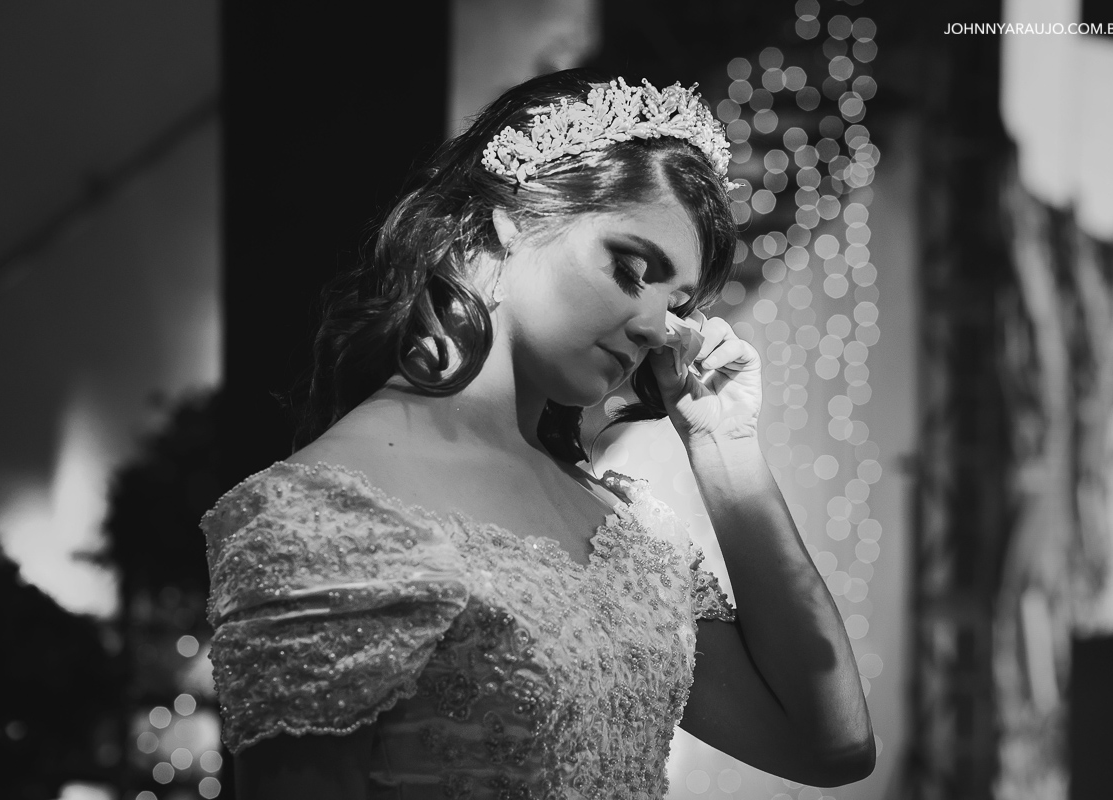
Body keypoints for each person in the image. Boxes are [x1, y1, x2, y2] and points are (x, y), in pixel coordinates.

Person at [202, 69, 875, 799]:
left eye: (677, 304)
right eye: (629, 269)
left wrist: (726, 447)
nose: (658, 328)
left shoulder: (631, 532)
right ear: (509, 222)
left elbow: (832, 746)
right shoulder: (321, 514)